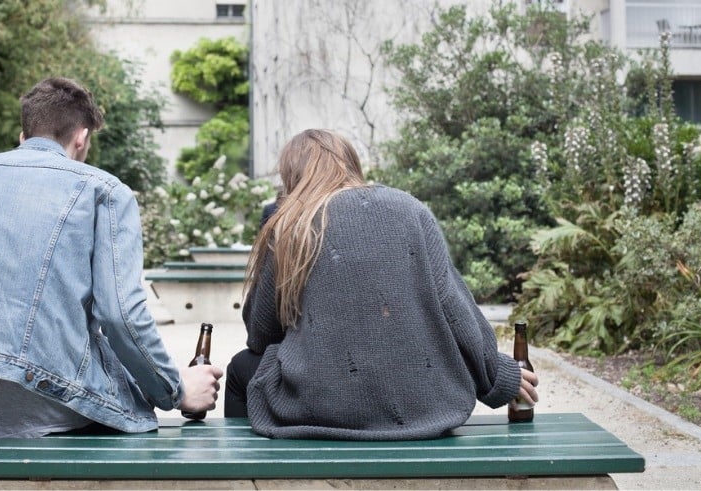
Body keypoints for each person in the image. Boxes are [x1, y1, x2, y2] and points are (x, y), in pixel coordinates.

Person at [0, 77, 222, 437]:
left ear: (23, 136)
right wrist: (177, 390)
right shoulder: (105, 192)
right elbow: (121, 316)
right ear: (81, 137)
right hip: (53, 405)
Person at [225, 129, 538, 440]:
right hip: (425, 409)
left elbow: (260, 335)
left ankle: (245, 475)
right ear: (350, 164)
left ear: (292, 175)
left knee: (241, 368)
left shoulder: (289, 224)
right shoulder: (410, 208)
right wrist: (497, 377)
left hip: (321, 406)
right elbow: (454, 307)